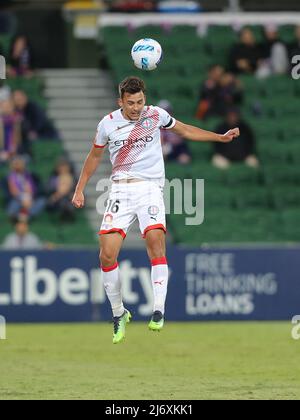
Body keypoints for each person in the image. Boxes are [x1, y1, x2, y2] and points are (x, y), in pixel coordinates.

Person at [72, 76, 240, 344]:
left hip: (149, 188)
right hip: (119, 191)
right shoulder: (107, 124)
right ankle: (119, 313)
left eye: (140, 101)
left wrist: (219, 137)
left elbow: (185, 130)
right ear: (120, 102)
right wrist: (80, 188)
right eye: (131, 103)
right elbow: (94, 156)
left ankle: (158, 310)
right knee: (106, 255)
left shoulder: (156, 115)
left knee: (155, 241)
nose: (136, 107)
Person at [158, 100, 191, 164]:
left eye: (167, 111)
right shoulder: (156, 126)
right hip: (163, 148)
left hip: (177, 148)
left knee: (184, 159)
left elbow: (179, 139)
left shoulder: (175, 123)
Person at [0, 98, 21, 162]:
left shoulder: (18, 120)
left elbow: (21, 139)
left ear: (13, 107)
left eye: (9, 106)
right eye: (4, 106)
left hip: (15, 151)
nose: (7, 108)